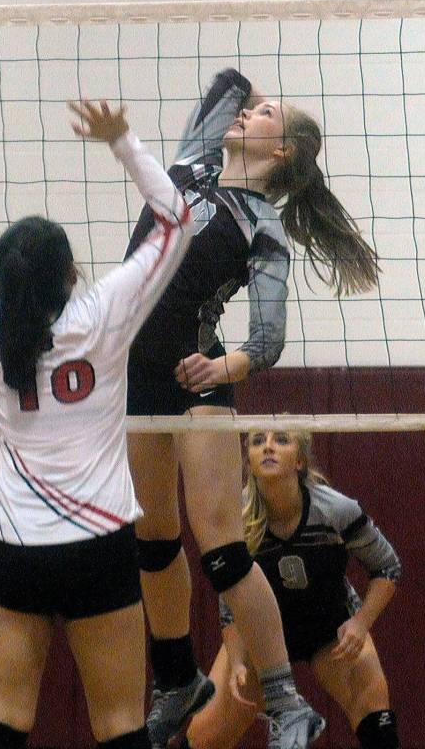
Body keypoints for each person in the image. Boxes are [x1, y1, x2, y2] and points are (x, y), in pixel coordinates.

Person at [0, 103, 193, 749]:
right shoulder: (105, 314)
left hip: (14, 546)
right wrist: (123, 143)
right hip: (99, 543)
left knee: (1, 718)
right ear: (70, 273)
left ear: (2, 279)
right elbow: (177, 219)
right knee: (120, 724)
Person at [125, 69, 379, 749]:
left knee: (220, 544)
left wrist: (224, 365)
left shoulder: (261, 226)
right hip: (132, 377)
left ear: (286, 150)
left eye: (267, 115)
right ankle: (178, 681)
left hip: (195, 379)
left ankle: (285, 698)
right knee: (151, 539)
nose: (248, 114)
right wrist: (251, 100)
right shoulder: (189, 166)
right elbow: (225, 84)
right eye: (256, 109)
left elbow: (268, 338)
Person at [186, 429, 401, 749]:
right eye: (258, 442)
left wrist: (360, 623)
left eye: (281, 441)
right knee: (204, 736)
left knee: (375, 712)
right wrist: (237, 660)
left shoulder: (336, 510)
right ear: (248, 460)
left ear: (299, 460)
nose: (267, 447)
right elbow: (231, 598)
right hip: (260, 634)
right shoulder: (237, 518)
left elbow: (387, 567)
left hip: (330, 629)